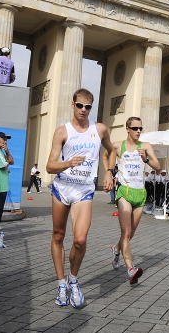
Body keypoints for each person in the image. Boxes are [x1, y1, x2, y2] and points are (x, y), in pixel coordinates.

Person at [46, 88, 115, 308]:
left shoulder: (100, 129)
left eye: (88, 106)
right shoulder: (62, 131)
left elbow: (112, 150)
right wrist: (68, 163)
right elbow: (49, 166)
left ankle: (73, 280)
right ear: (72, 104)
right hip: (62, 188)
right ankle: (60, 283)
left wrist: (110, 172)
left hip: (84, 190)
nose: (83, 110)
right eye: (80, 105)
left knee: (80, 240)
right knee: (58, 235)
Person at [110, 117, 161, 284]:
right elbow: (106, 155)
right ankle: (131, 268)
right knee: (125, 232)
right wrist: (109, 173)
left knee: (130, 233)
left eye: (140, 128)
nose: (138, 131)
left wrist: (146, 159)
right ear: (127, 129)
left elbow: (158, 166)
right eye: (135, 128)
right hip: (125, 191)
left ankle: (117, 250)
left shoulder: (145, 146)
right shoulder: (118, 145)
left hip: (140, 194)